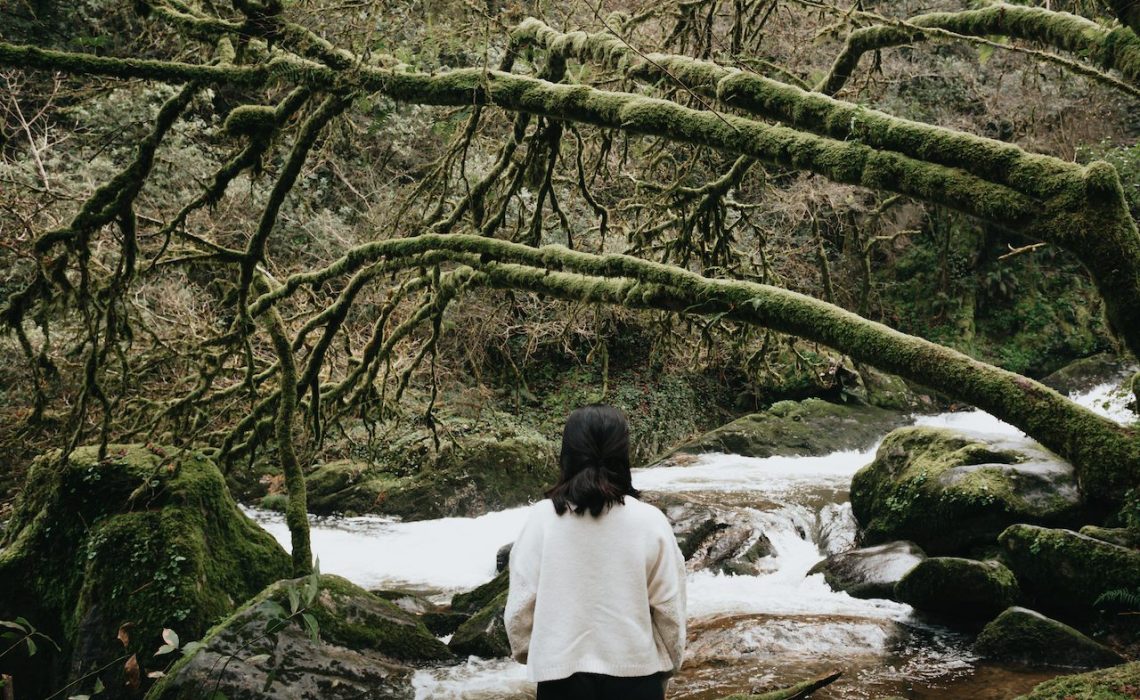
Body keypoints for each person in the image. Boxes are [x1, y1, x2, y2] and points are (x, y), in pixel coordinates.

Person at [504, 404, 687, 700]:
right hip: (636, 674)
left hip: (560, 677)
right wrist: (667, 666)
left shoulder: (541, 520)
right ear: (623, 454)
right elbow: (669, 609)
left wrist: (534, 654)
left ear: (567, 454)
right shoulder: (650, 521)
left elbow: (520, 607)